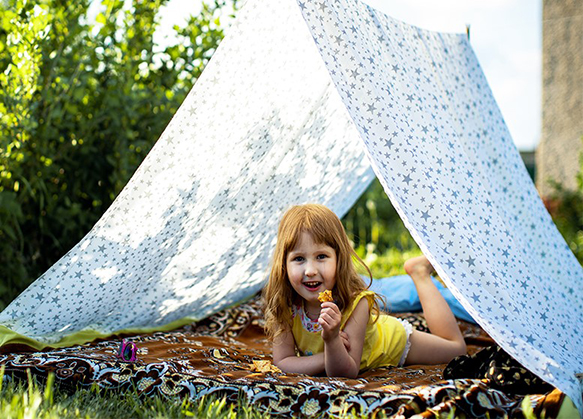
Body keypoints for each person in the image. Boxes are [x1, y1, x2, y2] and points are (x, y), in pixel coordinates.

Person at [263, 204, 467, 378]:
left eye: (321, 257)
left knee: (456, 350)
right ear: (284, 264)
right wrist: (325, 355)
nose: (310, 271)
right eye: (299, 259)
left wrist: (332, 339)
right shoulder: (285, 303)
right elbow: (282, 362)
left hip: (390, 343)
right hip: (350, 347)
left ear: (339, 259)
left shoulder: (356, 302)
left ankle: (420, 274)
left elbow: (345, 372)